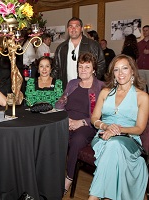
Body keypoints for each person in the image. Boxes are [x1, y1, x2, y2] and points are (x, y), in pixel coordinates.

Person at [88, 54, 148, 200]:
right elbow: (94, 118)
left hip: (129, 139)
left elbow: (139, 128)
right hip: (103, 136)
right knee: (112, 146)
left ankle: (94, 197)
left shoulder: (143, 97)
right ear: (113, 73)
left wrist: (118, 130)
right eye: (116, 70)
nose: (120, 73)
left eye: (125, 68)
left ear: (132, 71)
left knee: (114, 145)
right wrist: (105, 126)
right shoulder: (105, 92)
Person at [55, 52, 104, 195]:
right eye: (80, 66)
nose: (82, 70)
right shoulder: (72, 84)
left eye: (87, 67)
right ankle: (52, 175)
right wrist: (66, 119)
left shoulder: (100, 87)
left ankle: (68, 178)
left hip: (87, 124)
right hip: (67, 120)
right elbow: (59, 104)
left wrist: (81, 122)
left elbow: (102, 115)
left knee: (77, 139)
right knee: (53, 134)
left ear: (94, 69)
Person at [52, 17, 105, 90]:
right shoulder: (61, 48)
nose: (73, 29)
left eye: (76, 26)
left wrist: (91, 81)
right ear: (68, 29)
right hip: (66, 89)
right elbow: (56, 68)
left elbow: (101, 65)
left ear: (82, 29)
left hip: (88, 88)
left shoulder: (93, 45)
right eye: (71, 26)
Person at [137, 25, 149, 92]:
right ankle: (143, 102)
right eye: (144, 31)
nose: (145, 32)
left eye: (146, 30)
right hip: (140, 68)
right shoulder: (139, 43)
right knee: (142, 88)